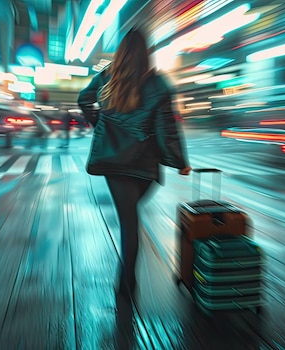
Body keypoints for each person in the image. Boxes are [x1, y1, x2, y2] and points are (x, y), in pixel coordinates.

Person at [78, 28, 192, 297]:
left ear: (121, 53)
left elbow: (84, 99)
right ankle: (127, 281)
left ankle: (127, 284)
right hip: (144, 164)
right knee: (131, 219)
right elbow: (168, 129)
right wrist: (180, 162)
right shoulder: (159, 84)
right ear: (147, 53)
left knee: (129, 220)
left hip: (113, 162)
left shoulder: (108, 76)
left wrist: (99, 124)